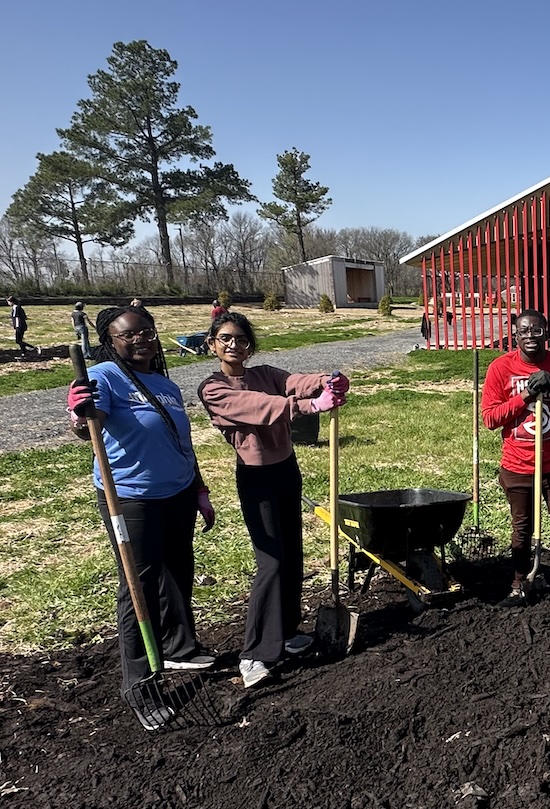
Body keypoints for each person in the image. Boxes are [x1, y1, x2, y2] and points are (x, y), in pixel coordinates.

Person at [64, 305, 216, 732]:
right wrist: (79, 413)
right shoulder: (106, 376)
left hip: (179, 494)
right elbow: (87, 425)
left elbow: (178, 439)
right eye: (128, 334)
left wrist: (199, 488)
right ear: (109, 341)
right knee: (139, 589)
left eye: (146, 331)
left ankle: (177, 648)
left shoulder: (163, 382)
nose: (141, 339)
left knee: (178, 573)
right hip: (132, 500)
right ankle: (141, 687)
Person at [197, 312, 349, 688]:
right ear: (212, 343)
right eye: (226, 338)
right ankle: (255, 653)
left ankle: (285, 632)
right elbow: (259, 407)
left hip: (285, 469)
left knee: (292, 553)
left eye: (242, 340)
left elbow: (292, 382)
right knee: (271, 562)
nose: (234, 345)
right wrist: (310, 406)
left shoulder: (265, 372)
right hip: (256, 477)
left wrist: (325, 382)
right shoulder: (213, 388)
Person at [482, 308, 550, 606]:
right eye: (524, 331)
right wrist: (525, 396)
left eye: (537, 330)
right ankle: (520, 584)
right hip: (517, 465)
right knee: (522, 528)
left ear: (547, 332)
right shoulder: (500, 368)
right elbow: (490, 419)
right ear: (515, 335)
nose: (531, 336)